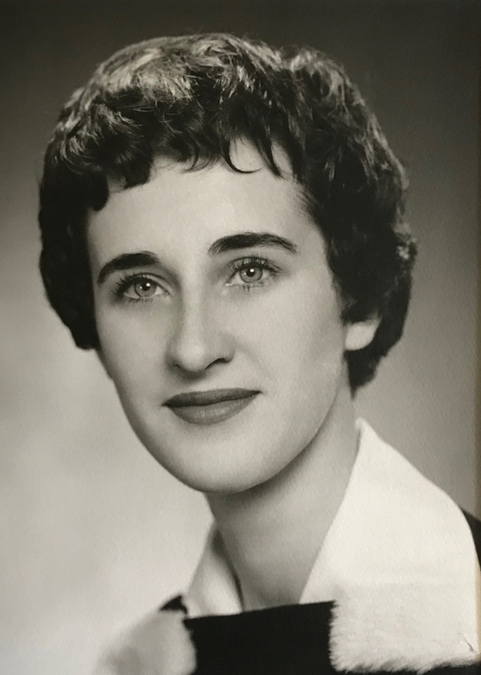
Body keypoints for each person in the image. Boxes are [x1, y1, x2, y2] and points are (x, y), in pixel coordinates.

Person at [38, 33, 480, 675]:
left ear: (360, 300)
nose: (193, 348)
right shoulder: (136, 667)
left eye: (250, 271)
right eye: (141, 286)